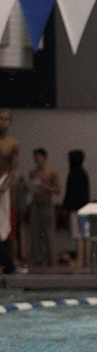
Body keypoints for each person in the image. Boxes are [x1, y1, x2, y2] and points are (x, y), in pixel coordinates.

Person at [27, 148, 60, 268]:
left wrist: (44, 186)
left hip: (47, 205)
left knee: (48, 234)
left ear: (44, 157)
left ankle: (51, 260)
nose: (37, 159)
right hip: (35, 205)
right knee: (35, 234)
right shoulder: (32, 173)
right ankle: (37, 259)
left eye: (39, 157)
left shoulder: (51, 172)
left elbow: (57, 190)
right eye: (35, 157)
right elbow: (30, 188)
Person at [62, 149, 90, 271]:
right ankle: (87, 261)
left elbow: (70, 193)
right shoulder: (84, 173)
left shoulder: (73, 173)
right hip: (85, 209)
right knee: (86, 236)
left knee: (79, 236)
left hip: (76, 210)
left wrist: (66, 207)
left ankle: (80, 260)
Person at [0, 109, 19, 274]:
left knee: (4, 225)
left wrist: (6, 184)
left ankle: (9, 263)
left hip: (4, 183)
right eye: (0, 118)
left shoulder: (12, 143)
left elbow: (14, 169)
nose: (2, 122)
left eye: (6, 119)